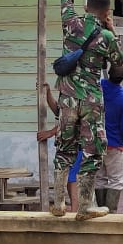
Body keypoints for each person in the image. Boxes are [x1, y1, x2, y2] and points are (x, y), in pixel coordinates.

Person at [53, 0, 123, 220]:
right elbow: (119, 65)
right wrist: (112, 29)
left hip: (67, 98)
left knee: (65, 148)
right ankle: (83, 206)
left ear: (85, 8)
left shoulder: (70, 22)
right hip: (92, 101)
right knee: (94, 151)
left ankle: (58, 203)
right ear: (106, 12)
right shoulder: (106, 36)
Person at [95, 62, 123, 213]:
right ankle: (110, 213)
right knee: (116, 180)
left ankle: (101, 211)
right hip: (114, 144)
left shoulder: (97, 87)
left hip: (94, 142)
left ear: (109, 72)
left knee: (99, 178)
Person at [36, 82, 81, 213]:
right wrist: (48, 92)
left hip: (76, 145)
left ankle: (74, 211)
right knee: (66, 179)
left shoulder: (75, 95)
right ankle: (68, 208)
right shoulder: (65, 96)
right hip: (64, 146)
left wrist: (50, 132)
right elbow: (57, 110)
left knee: (72, 178)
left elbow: (70, 120)